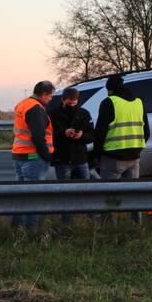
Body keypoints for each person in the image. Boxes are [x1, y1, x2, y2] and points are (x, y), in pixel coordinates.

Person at [93, 74, 150, 222]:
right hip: (134, 157)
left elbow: (100, 132)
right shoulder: (139, 102)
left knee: (110, 194)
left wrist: (97, 155)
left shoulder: (109, 102)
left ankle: (109, 224)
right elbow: (147, 132)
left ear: (110, 90)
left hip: (113, 157)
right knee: (133, 193)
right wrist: (136, 148)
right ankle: (137, 223)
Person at [10, 81, 56, 231]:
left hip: (20, 154)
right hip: (33, 156)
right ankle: (31, 230)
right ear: (43, 95)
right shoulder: (36, 108)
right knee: (33, 196)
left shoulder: (23, 104)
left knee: (21, 194)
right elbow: (38, 136)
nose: (51, 99)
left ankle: (17, 227)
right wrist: (46, 156)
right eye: (50, 96)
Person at [48, 87, 95, 225]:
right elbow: (49, 136)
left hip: (80, 158)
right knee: (65, 194)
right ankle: (66, 223)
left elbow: (92, 135)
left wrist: (82, 136)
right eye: (69, 103)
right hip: (62, 159)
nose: (72, 106)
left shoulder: (84, 113)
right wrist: (64, 133)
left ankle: (89, 221)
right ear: (63, 99)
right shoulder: (53, 114)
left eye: (74, 103)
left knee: (86, 191)